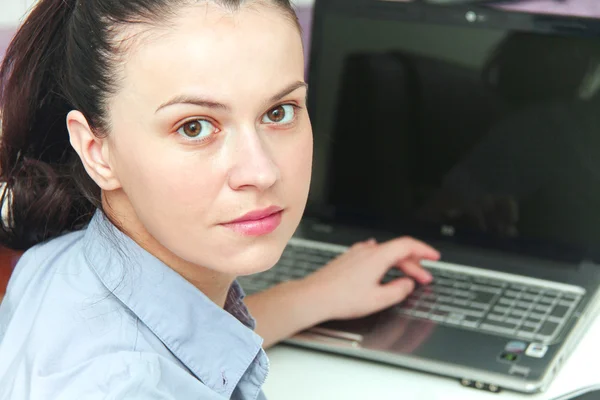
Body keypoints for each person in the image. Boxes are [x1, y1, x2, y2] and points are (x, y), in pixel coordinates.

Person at [0, 0, 439, 398]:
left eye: (278, 112)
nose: (262, 172)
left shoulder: (58, 260)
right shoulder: (127, 387)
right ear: (98, 151)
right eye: (194, 127)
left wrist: (313, 296)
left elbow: (188, 339)